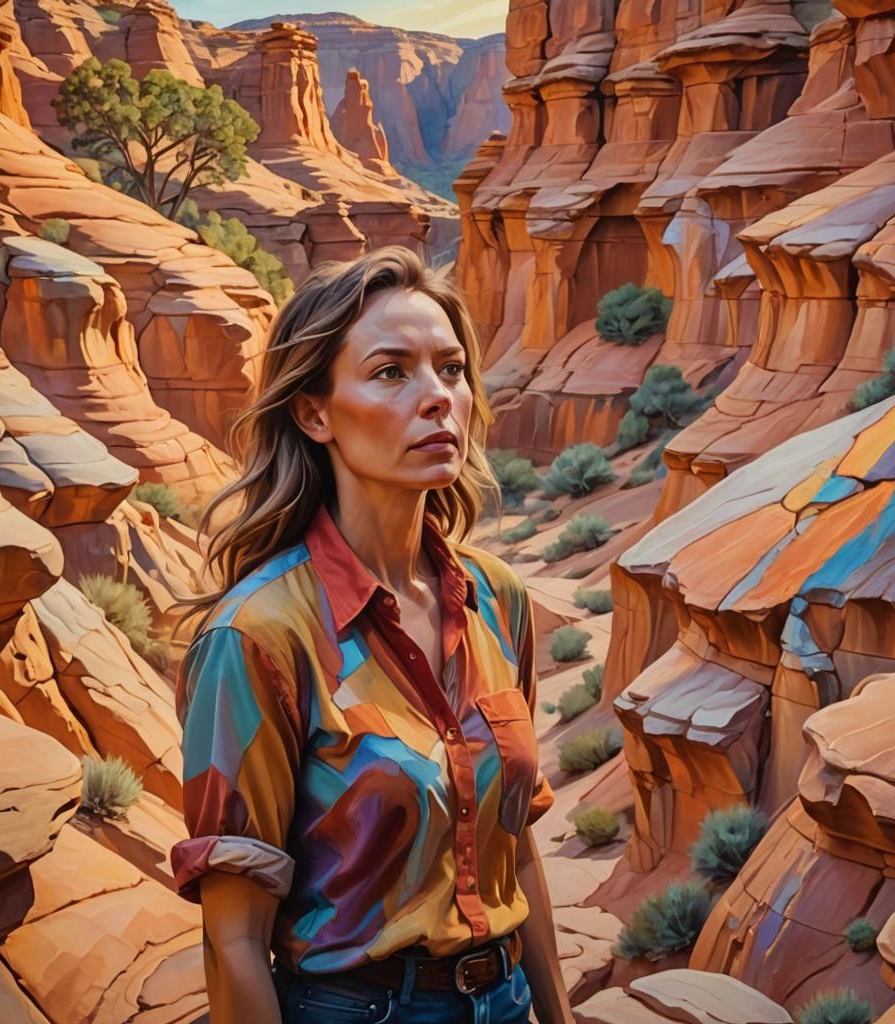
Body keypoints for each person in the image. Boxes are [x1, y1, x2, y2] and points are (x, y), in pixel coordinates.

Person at [169, 246, 574, 1024]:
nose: (438, 399)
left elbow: (513, 847)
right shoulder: (259, 636)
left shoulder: (497, 600)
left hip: (507, 997)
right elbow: (235, 942)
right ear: (314, 413)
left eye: (451, 369)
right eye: (392, 372)